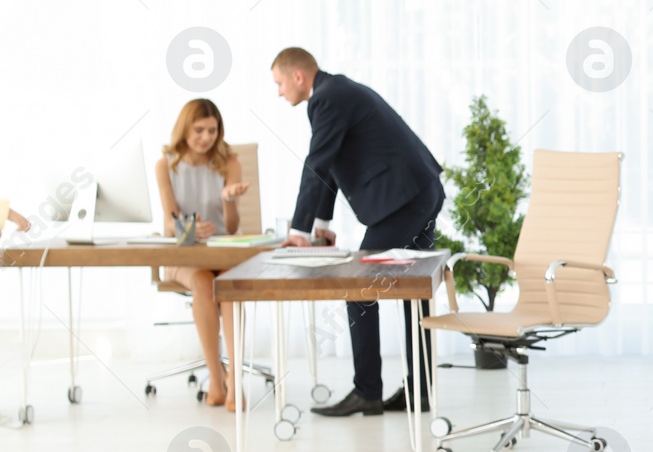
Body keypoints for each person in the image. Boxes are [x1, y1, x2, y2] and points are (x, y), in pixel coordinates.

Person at [272, 48, 444, 417]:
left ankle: (367, 391)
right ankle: (421, 390)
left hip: (405, 200)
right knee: (416, 291)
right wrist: (322, 227)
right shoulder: (336, 93)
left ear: (298, 76)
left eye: (279, 83)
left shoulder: (327, 99)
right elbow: (331, 164)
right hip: (421, 191)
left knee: (359, 287)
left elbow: (315, 164)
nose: (279, 92)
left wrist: (299, 232)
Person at [153, 99, 252, 410]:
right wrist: (191, 232)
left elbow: (232, 226)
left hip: (222, 253)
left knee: (229, 288)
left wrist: (228, 200)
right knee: (202, 283)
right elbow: (170, 224)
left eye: (212, 130)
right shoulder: (166, 164)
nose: (206, 137)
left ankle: (234, 381)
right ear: (185, 129)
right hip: (185, 255)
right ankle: (216, 377)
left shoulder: (229, 163)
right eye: (199, 130)